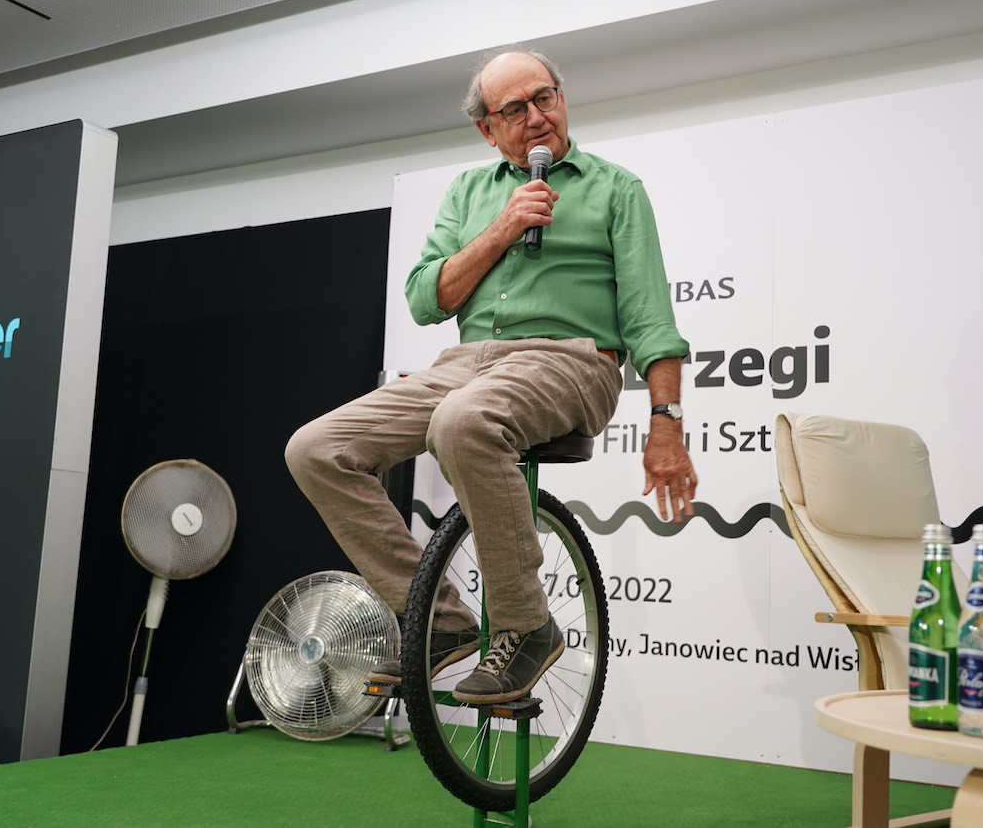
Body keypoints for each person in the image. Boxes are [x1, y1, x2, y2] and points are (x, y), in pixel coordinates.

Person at [285, 45, 696, 705]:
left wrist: (666, 423)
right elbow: (428, 297)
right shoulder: (469, 193)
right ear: (488, 129)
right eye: (515, 108)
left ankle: (525, 624)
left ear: (562, 98)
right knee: (314, 449)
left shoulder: (617, 189)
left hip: (573, 361)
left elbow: (651, 320)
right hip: (466, 364)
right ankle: (437, 619)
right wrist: (503, 228)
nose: (537, 116)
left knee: (462, 421)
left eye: (545, 97)